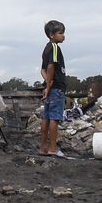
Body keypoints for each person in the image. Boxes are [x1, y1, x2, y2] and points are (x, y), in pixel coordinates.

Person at [39, 20, 68, 157]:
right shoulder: (55, 47)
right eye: (60, 33)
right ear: (51, 35)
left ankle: (43, 147)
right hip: (56, 88)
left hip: (50, 88)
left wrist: (46, 84)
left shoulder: (46, 48)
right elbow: (50, 67)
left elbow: (42, 70)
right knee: (54, 119)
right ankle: (53, 148)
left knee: (46, 117)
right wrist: (50, 85)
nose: (63, 36)